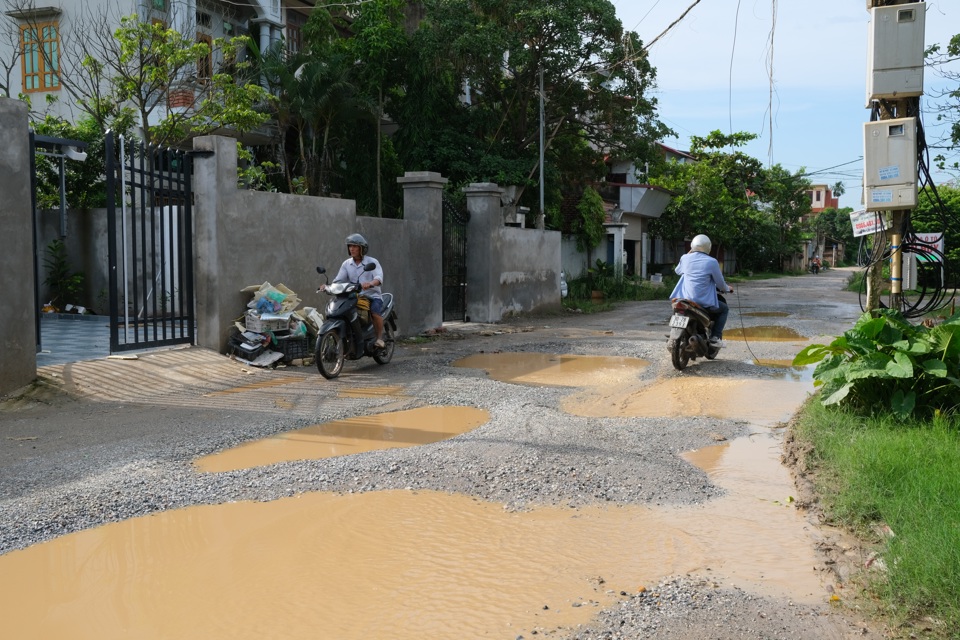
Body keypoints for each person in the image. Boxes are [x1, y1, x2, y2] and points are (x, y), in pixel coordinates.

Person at [669, 234, 734, 345]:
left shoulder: (685, 258)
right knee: (724, 309)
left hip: (684, 299)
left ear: (692, 246)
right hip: (702, 303)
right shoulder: (712, 262)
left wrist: (690, 252)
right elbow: (720, 284)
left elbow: (677, 271)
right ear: (708, 247)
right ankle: (715, 337)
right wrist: (728, 289)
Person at [330, 233, 385, 349]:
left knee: (375, 312)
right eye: (350, 246)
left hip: (372, 296)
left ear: (362, 248)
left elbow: (378, 278)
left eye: (355, 246)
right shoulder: (346, 264)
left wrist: (370, 283)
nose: (352, 249)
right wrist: (328, 287)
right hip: (354, 296)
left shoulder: (372, 262)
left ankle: (379, 338)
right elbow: (339, 280)